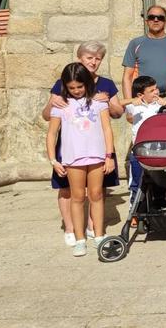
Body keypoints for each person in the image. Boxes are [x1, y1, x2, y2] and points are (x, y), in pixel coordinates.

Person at [41, 41, 123, 246]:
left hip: (95, 146)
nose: (94, 62)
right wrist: (53, 102)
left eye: (98, 58)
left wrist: (105, 102)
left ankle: (93, 227)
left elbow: (117, 113)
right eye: (89, 58)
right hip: (70, 146)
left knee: (97, 190)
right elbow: (47, 117)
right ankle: (71, 228)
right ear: (80, 58)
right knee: (67, 188)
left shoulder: (106, 84)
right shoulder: (64, 83)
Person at [120, 75, 166, 204]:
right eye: (151, 91)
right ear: (140, 94)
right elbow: (114, 105)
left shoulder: (159, 105)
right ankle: (135, 209)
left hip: (159, 151)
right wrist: (131, 100)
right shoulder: (134, 106)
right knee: (137, 183)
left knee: (159, 183)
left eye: (156, 89)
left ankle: (158, 208)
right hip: (139, 151)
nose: (156, 92)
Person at [122, 5, 166, 98]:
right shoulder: (135, 43)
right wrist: (129, 104)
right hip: (143, 100)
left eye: (160, 17)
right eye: (152, 17)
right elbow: (127, 77)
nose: (156, 20)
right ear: (146, 21)